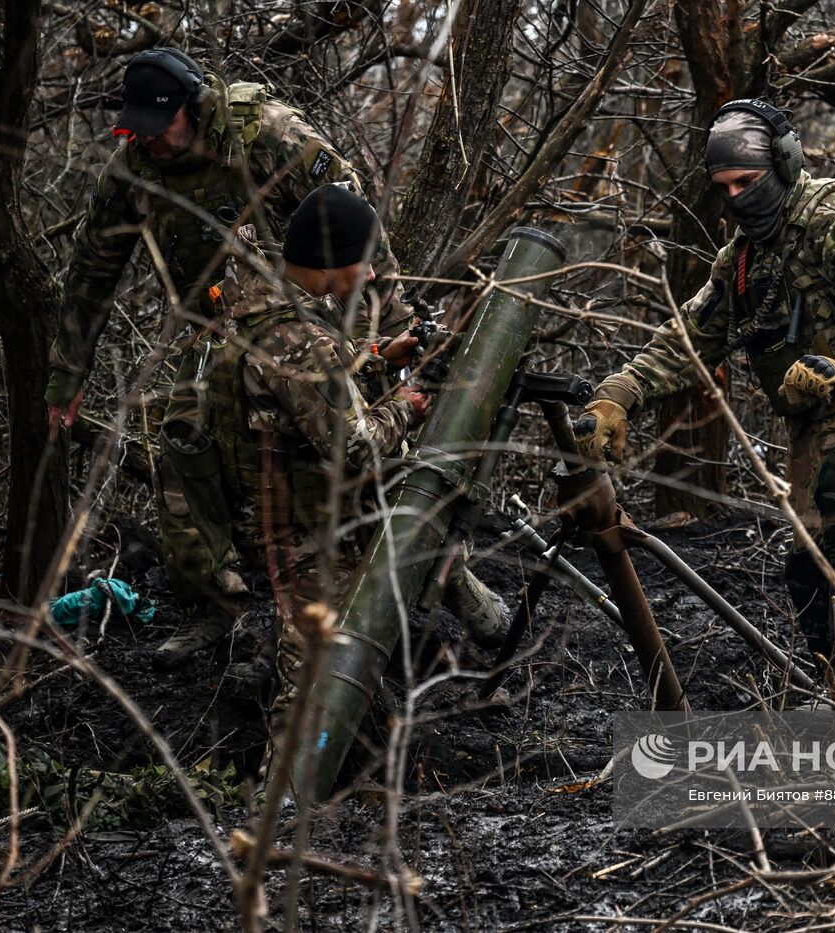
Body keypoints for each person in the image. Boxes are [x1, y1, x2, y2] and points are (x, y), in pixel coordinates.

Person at [573, 99, 835, 707]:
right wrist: (620, 394)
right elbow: (690, 338)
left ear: (786, 164)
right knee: (808, 559)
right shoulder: (743, 262)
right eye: (726, 187)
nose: (739, 198)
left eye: (749, 181)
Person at [44, 47, 399, 662]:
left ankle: (376, 576)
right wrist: (66, 376)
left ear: (192, 107)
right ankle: (214, 605)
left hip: (306, 321)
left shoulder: (266, 133)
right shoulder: (135, 172)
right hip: (215, 330)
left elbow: (356, 227)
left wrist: (385, 329)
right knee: (181, 445)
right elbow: (91, 274)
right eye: (138, 133)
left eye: (160, 129)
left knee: (343, 439)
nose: (149, 143)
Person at [198, 185, 508, 761]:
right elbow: (355, 445)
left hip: (310, 505)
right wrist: (404, 407)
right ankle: (287, 790)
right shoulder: (297, 339)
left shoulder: (268, 297)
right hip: (300, 527)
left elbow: (310, 387)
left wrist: (376, 354)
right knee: (314, 664)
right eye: (362, 262)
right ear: (333, 260)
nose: (368, 276)